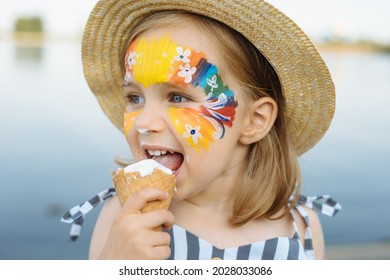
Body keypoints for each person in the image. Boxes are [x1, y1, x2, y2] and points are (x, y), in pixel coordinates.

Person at [62, 0, 341, 260]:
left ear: (254, 120)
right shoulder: (124, 219)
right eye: (135, 98)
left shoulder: (302, 228)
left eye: (178, 97)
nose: (144, 122)